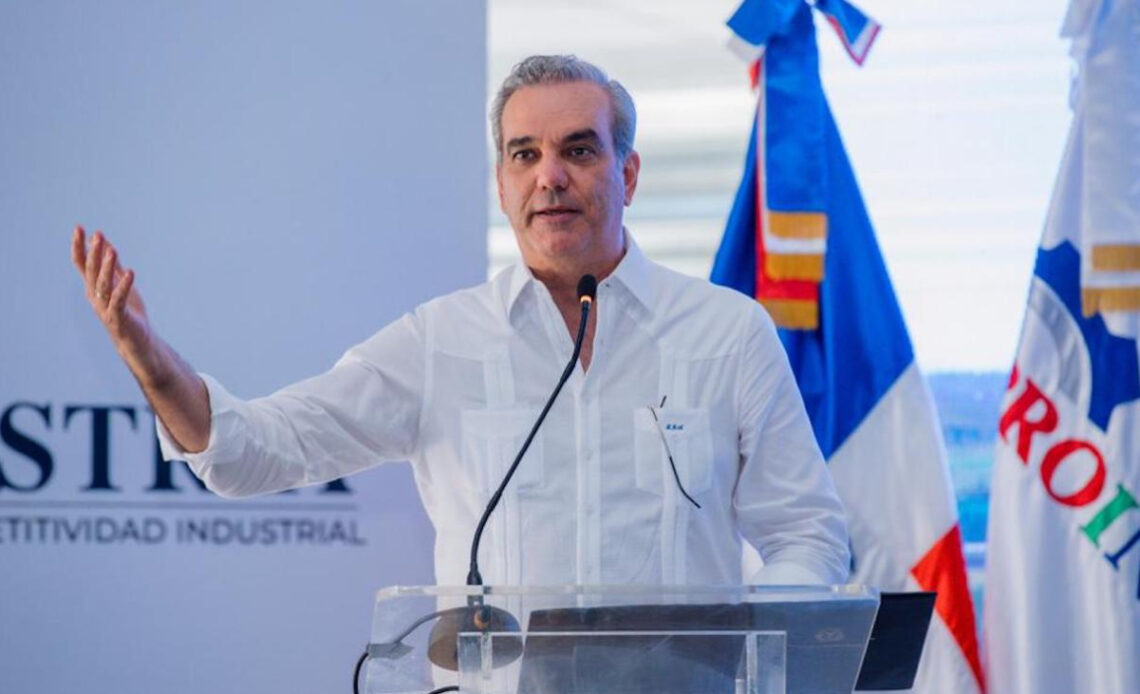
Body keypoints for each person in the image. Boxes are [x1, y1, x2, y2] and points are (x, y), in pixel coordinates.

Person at [70, 55, 849, 587]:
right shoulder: (440, 342)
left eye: (579, 151)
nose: (550, 176)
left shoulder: (727, 333)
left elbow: (807, 536)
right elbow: (254, 454)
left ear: (629, 173)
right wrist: (154, 365)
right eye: (524, 154)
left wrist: (751, 645)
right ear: (502, 186)